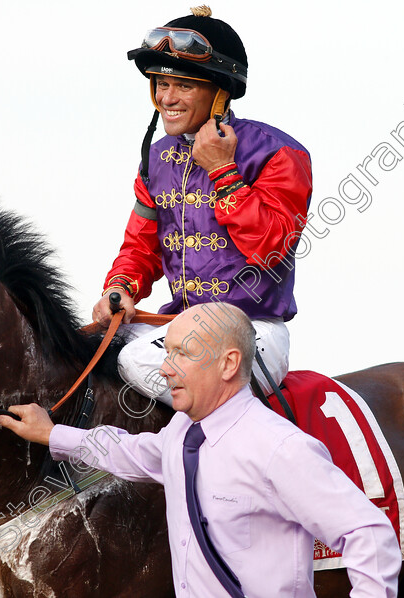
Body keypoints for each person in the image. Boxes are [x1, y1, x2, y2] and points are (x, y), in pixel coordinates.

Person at [0, 303, 401, 597]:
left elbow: (369, 533)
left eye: (182, 354)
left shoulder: (281, 448)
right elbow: (135, 452)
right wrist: (54, 435)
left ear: (228, 364)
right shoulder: (181, 435)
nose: (165, 368)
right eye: (166, 352)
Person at [91, 6, 313, 405]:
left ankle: (205, 456)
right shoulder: (155, 160)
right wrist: (120, 288)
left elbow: (272, 249)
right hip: (178, 324)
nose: (167, 98)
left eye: (183, 86)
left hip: (253, 330)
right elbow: (139, 250)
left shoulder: (280, 152)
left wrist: (224, 171)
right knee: (82, 349)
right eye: (160, 83)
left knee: (138, 360)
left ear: (219, 92)